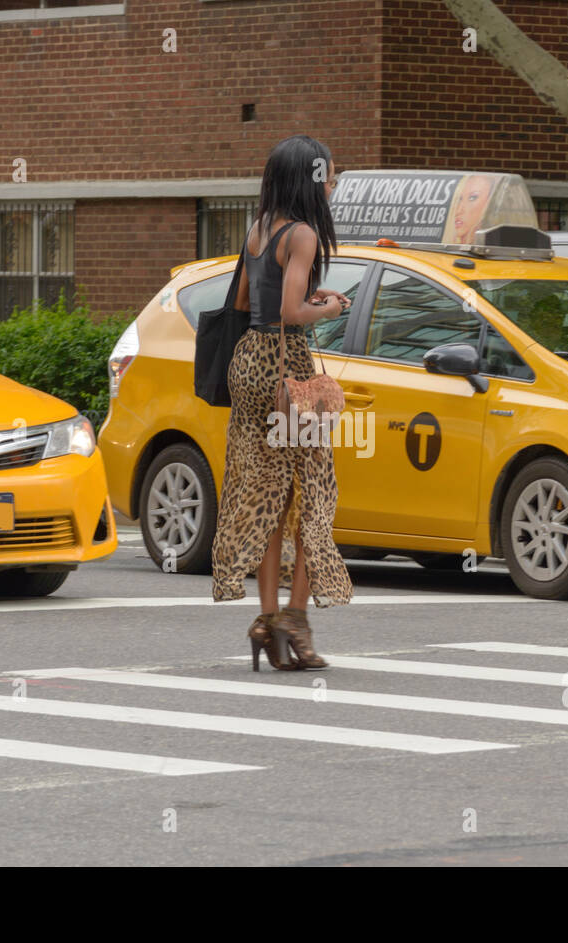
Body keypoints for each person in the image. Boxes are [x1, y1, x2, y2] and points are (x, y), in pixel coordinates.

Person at [211, 134, 354, 671]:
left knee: (269, 495)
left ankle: (267, 620)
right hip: (285, 370)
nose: (335, 184)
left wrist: (302, 302)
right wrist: (330, 307)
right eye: (331, 176)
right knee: (313, 494)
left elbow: (250, 303)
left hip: (248, 362)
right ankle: (295, 618)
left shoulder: (258, 229)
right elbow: (292, 313)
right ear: (312, 180)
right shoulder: (304, 235)